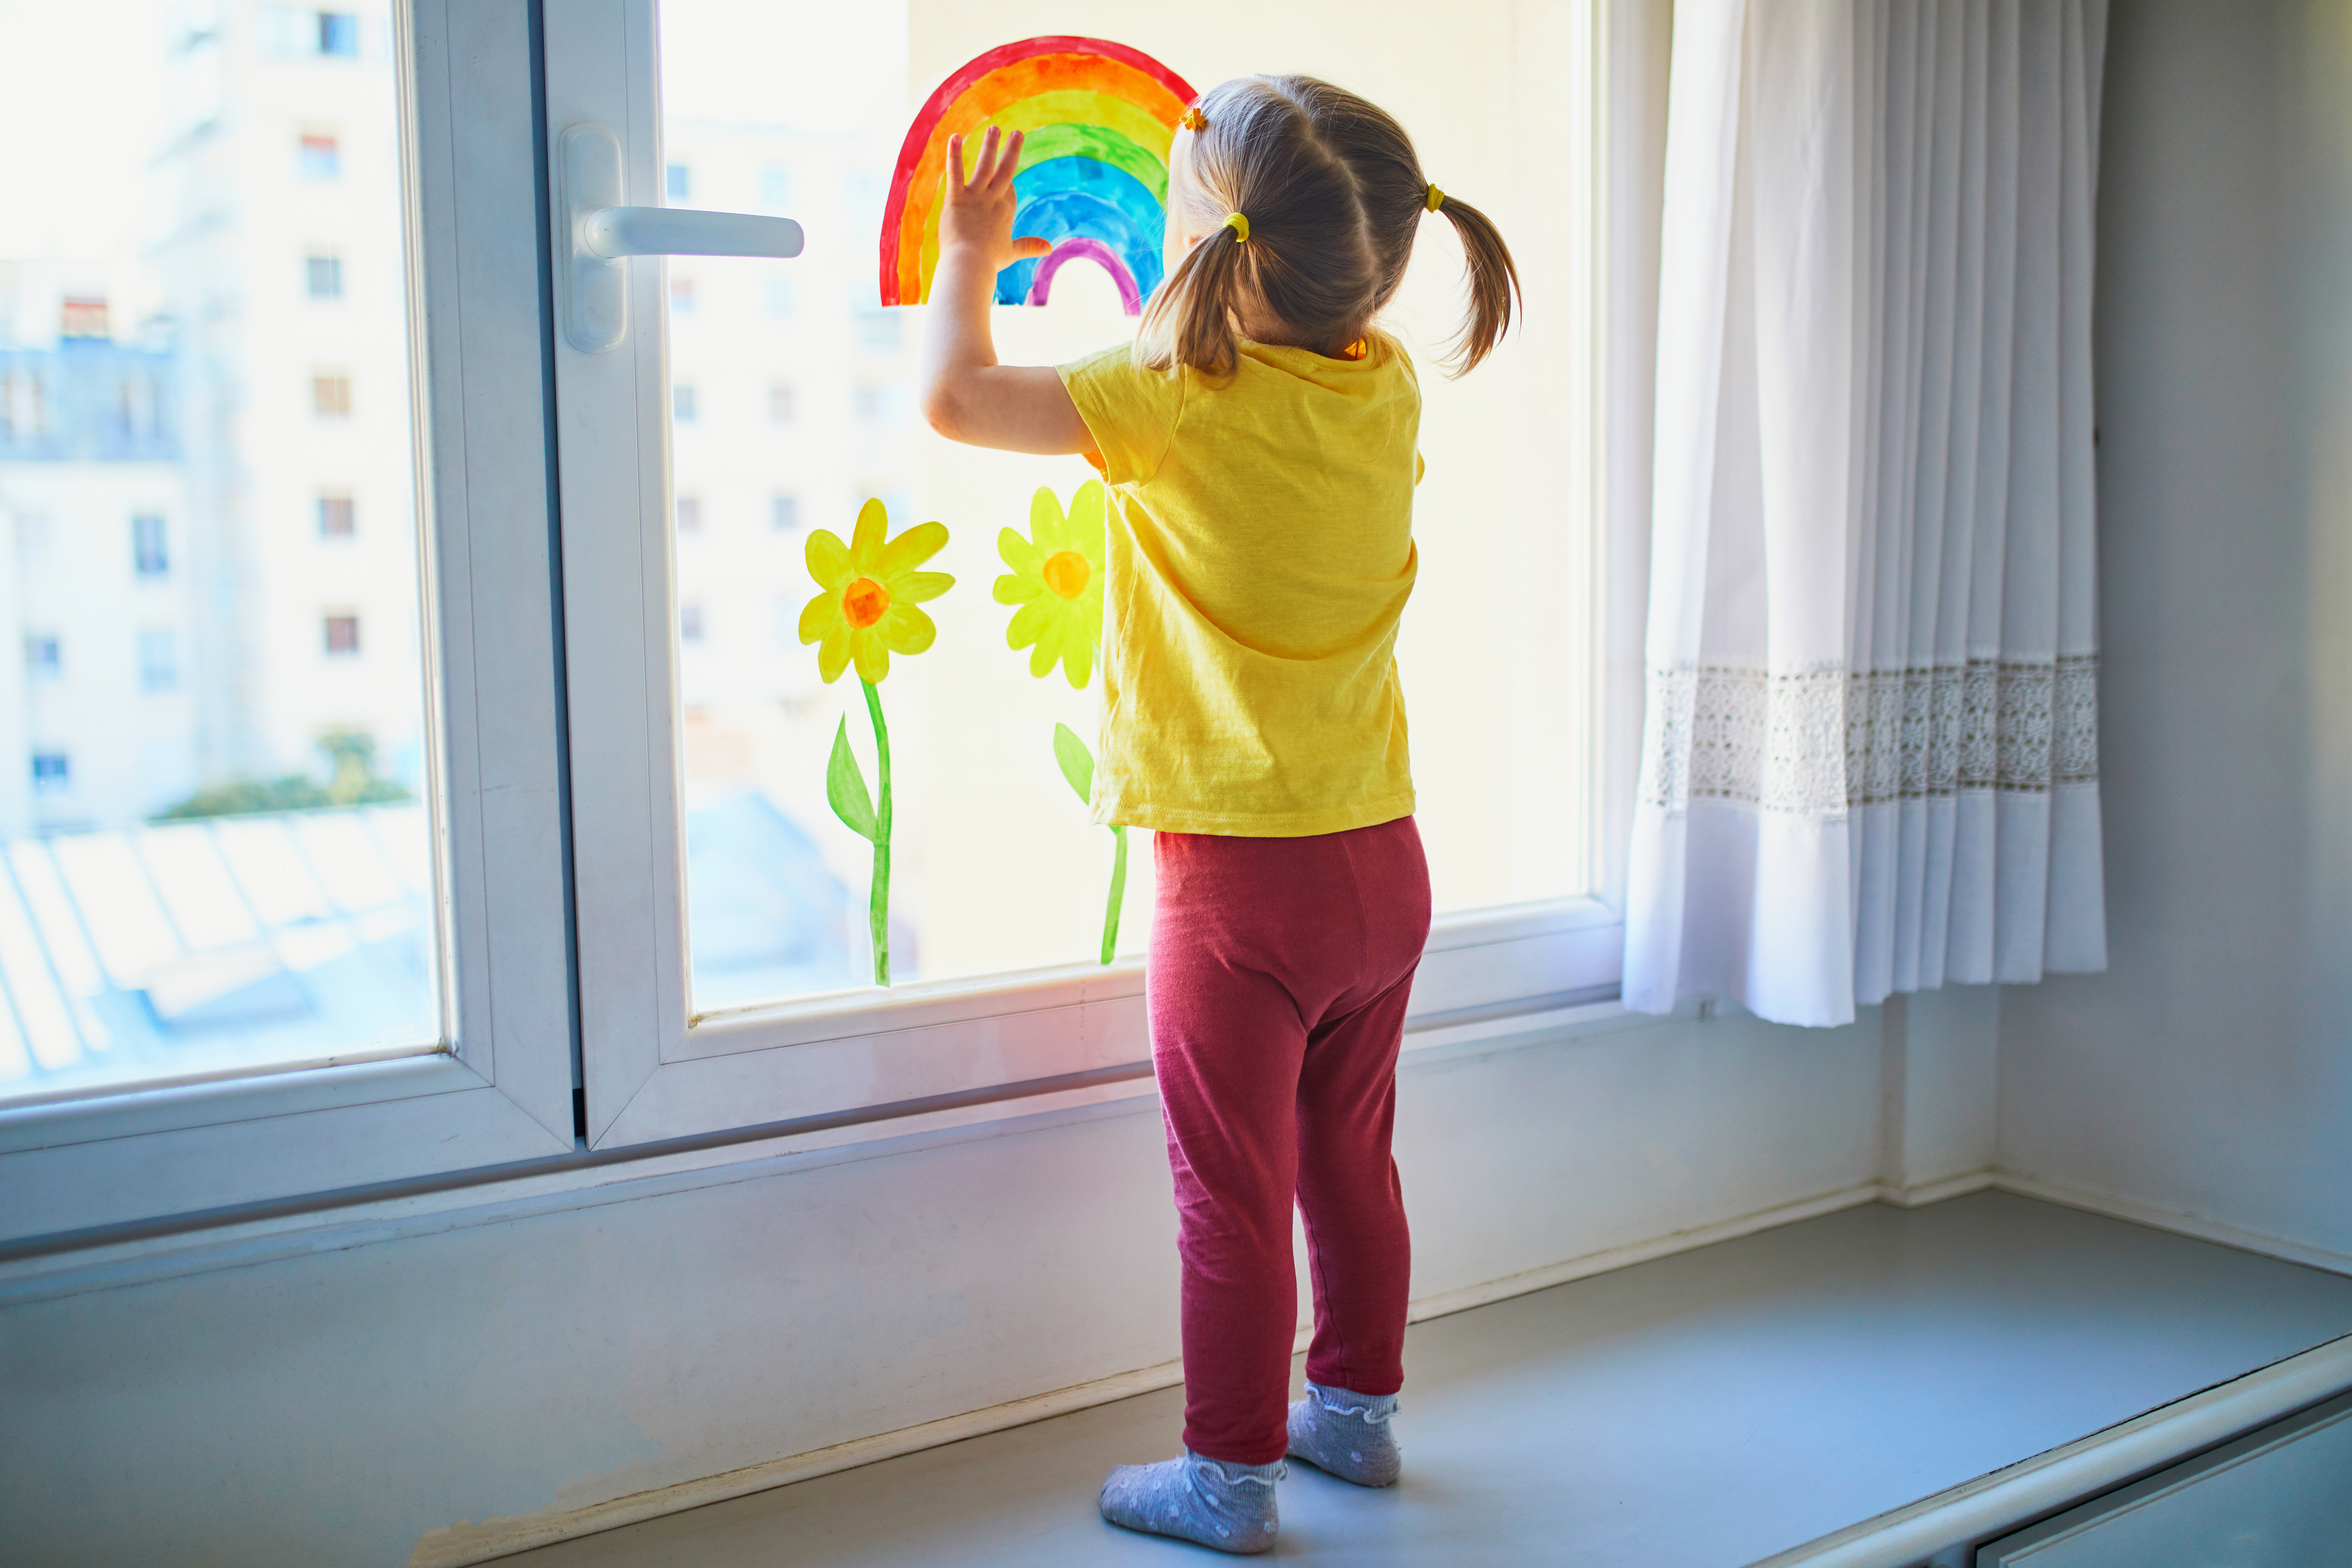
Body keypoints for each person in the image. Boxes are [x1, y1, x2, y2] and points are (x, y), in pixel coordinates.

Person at [916, 73, 1519, 1555]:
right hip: (1382, 866)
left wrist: (972, 253)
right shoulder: (1380, 386)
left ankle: (1230, 1480)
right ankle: (1356, 1423)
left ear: (1222, 250)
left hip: (1238, 893)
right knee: (1346, 1161)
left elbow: (951, 400)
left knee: (1231, 1198)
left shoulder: (1163, 403)